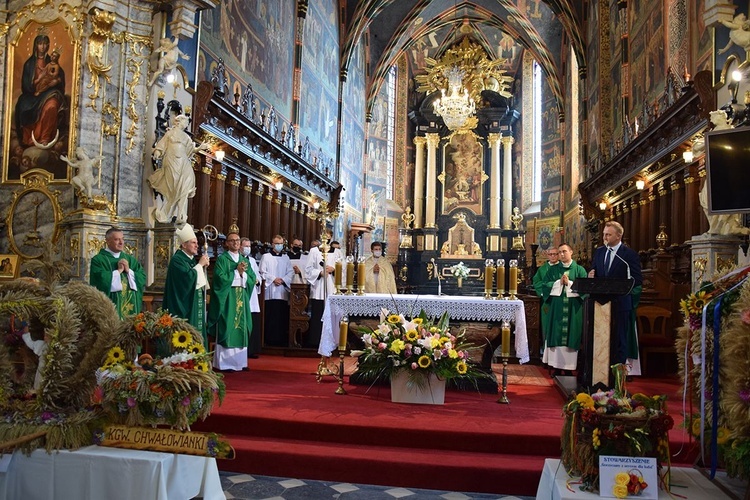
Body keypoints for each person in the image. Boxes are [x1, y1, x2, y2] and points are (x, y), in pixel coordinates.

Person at [588, 221, 643, 370]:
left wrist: (622, 285)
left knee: (619, 339)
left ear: (619, 236)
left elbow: (637, 279)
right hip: (601, 303)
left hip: (620, 303)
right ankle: (600, 370)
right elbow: (594, 272)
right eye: (604, 234)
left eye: (608, 234)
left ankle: (618, 374)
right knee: (601, 338)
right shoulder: (599, 252)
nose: (605, 237)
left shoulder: (628, 255)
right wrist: (591, 275)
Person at [149, 114, 210, 225]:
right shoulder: (170, 133)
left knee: (185, 186)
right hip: (171, 162)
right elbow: (162, 144)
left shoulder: (186, 137)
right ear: (179, 122)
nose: (186, 125)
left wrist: (200, 148)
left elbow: (191, 150)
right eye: (186, 122)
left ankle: (181, 213)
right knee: (173, 187)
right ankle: (166, 212)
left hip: (184, 163)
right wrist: (158, 151)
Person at [207, 231, 255, 371]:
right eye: (232, 240)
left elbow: (252, 279)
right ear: (227, 243)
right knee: (227, 325)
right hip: (228, 298)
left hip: (241, 297)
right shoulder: (223, 259)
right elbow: (219, 279)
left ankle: (240, 363)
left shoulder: (245, 260)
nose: (235, 243)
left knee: (242, 326)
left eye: (237, 240)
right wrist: (236, 272)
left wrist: (243, 274)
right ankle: (224, 364)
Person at [540, 244, 588, 374]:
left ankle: (568, 368)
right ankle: (555, 366)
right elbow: (545, 285)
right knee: (556, 334)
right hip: (557, 309)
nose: (561, 254)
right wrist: (558, 283)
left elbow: (585, 289)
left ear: (571, 252)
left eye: (564, 251)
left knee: (572, 334)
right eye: (559, 252)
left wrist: (570, 284)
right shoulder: (553, 270)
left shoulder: (579, 270)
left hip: (573, 309)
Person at [163, 224, 211, 348]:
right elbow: (186, 280)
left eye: (197, 243)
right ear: (184, 244)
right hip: (182, 306)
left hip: (194, 302)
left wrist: (202, 267)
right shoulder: (178, 260)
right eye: (193, 243)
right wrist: (200, 265)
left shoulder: (190, 260)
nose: (197, 245)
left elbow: (198, 281)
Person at [15, 33, 65, 148]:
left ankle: (45, 137)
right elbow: (25, 85)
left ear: (48, 46)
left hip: (48, 93)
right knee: (22, 105)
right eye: (40, 44)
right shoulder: (29, 64)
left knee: (52, 105)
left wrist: (55, 82)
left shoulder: (52, 62)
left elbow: (59, 77)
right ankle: (28, 140)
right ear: (36, 45)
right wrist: (34, 85)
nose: (42, 47)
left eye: (45, 44)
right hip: (32, 95)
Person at [89, 227, 147, 319]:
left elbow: (142, 277)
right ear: (108, 241)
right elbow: (99, 280)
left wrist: (129, 271)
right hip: (111, 310)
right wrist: (118, 271)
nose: (121, 242)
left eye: (122, 239)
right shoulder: (98, 260)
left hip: (131, 309)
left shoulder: (130, 259)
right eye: (117, 239)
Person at [259, 234, 294, 347]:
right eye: (276, 244)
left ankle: (280, 339)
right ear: (272, 244)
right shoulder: (266, 256)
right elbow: (262, 272)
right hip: (270, 290)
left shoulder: (286, 258)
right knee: (271, 315)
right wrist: (273, 279)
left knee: (281, 315)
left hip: (282, 292)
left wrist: (283, 280)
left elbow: (291, 272)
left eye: (281, 244)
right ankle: (269, 339)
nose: (279, 246)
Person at [304, 240, 335, 349]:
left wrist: (334, 270)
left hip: (331, 288)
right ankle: (315, 341)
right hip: (318, 288)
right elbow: (307, 269)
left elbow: (343, 270)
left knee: (331, 317)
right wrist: (319, 272)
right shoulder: (314, 251)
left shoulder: (336, 252)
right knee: (317, 315)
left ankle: (330, 342)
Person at [532, 247, 560, 349]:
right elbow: (537, 282)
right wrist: (547, 291)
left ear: (559, 255)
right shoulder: (542, 269)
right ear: (547, 255)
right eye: (551, 254)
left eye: (555, 254)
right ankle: (546, 349)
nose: (553, 256)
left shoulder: (562, 267)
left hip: (560, 301)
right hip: (547, 301)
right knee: (547, 325)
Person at [241, 238, 262, 359]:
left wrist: (257, 281)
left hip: (253, 293)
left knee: (253, 321)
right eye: (245, 246)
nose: (248, 248)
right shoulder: (239, 259)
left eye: (249, 246)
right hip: (243, 291)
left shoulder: (252, 260)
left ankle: (252, 349)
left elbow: (257, 274)